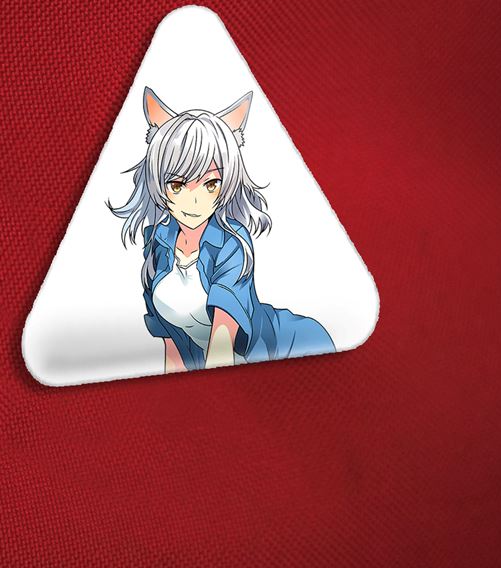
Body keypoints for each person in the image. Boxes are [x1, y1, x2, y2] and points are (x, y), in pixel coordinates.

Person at [108, 87, 334, 371]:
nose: (194, 201)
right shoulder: (157, 243)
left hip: (288, 349)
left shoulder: (232, 244)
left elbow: (223, 342)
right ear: (158, 183)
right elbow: (171, 342)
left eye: (211, 184)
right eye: (177, 185)